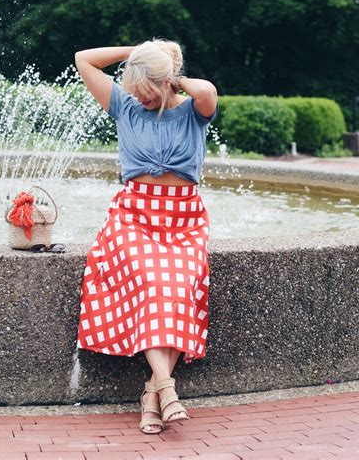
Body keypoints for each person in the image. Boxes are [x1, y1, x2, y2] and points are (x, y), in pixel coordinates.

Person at [75, 39, 218, 435]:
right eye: (134, 89)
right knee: (155, 282)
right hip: (133, 218)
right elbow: (83, 59)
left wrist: (173, 77)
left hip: (184, 220)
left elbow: (207, 91)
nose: (138, 97)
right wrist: (134, 53)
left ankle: (151, 393)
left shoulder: (194, 112)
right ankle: (167, 389)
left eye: (146, 89)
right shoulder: (123, 106)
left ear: (166, 82)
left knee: (178, 285)